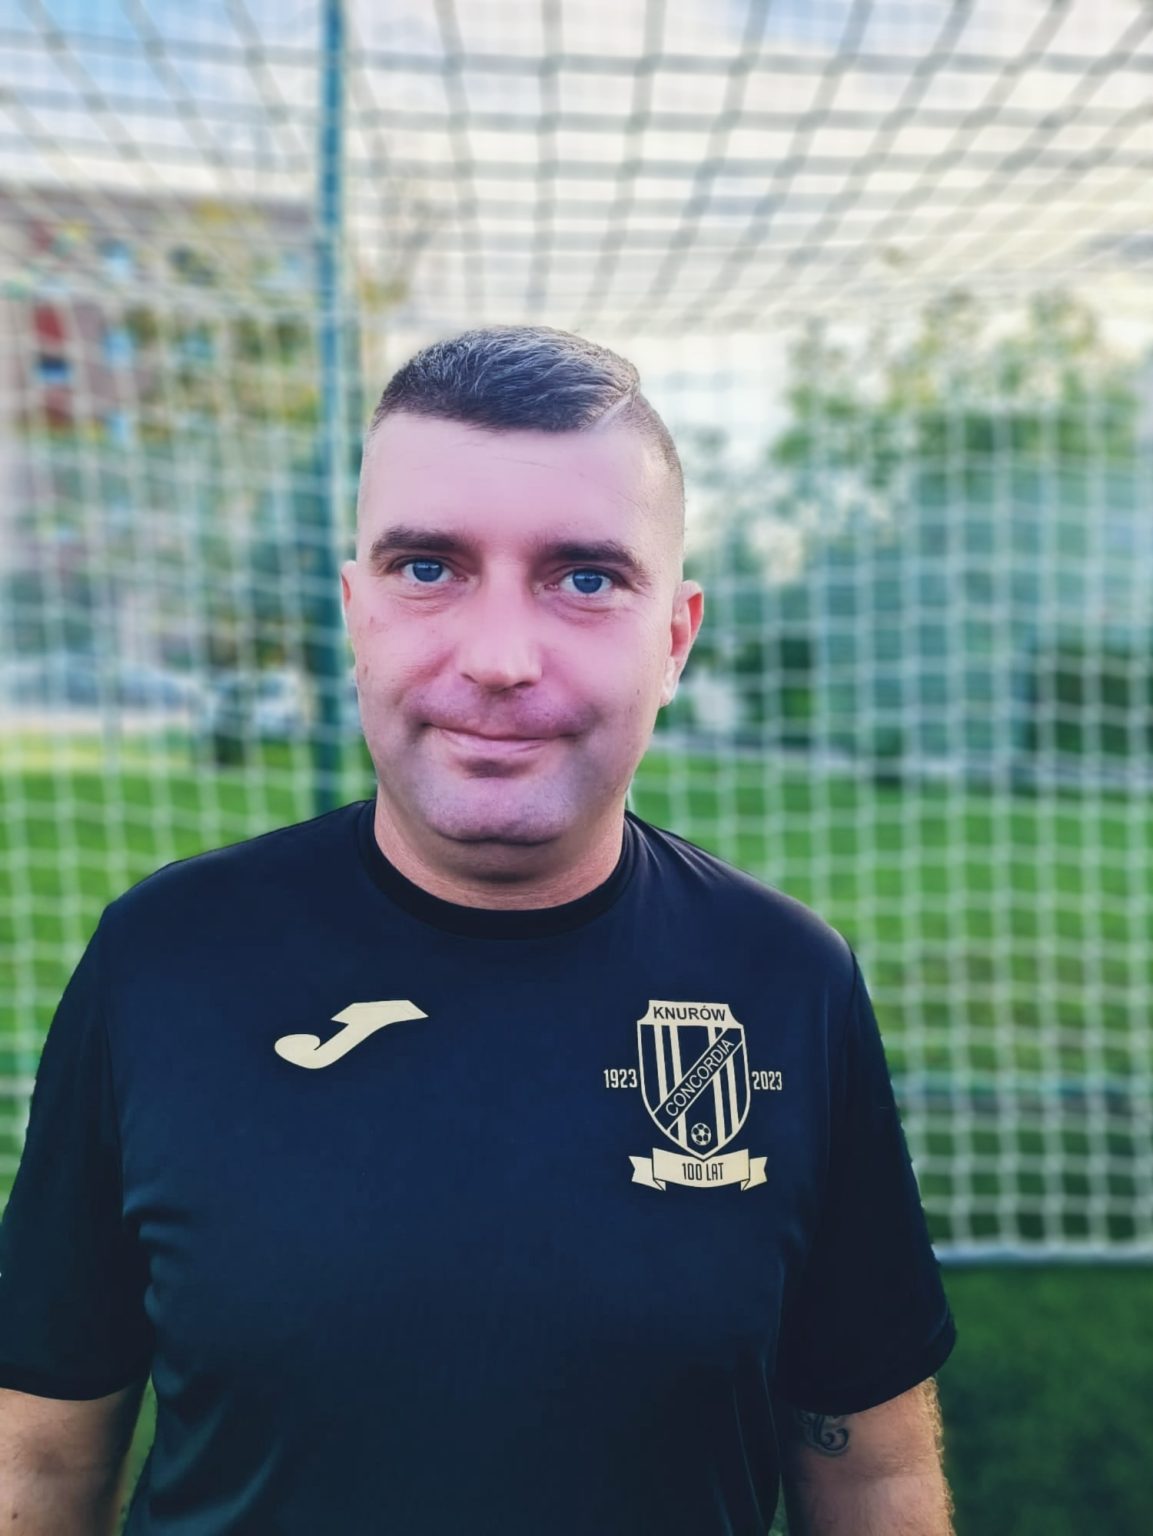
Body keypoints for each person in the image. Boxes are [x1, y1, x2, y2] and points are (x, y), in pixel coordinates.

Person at [0, 325, 956, 1535]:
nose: (500, 659)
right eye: (428, 567)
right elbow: (41, 1464)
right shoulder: (161, 961)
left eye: (585, 579)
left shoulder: (787, 980)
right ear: (356, 612)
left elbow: (869, 1476)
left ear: (674, 638)